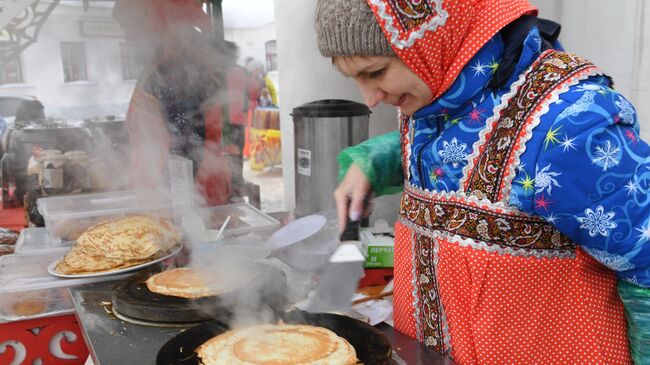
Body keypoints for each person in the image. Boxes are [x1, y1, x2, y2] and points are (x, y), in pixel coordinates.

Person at [315, 0, 650, 363]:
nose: (370, 98)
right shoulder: (436, 95)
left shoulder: (569, 124)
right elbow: (457, 146)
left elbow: (644, 258)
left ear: (434, 38)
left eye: (376, 72)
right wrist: (372, 163)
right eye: (355, 78)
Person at [113, 0, 231, 206]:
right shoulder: (166, 63)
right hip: (167, 193)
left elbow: (186, 149)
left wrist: (171, 206)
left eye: (131, 26)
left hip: (184, 198)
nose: (128, 37)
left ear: (155, 22)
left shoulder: (176, 69)